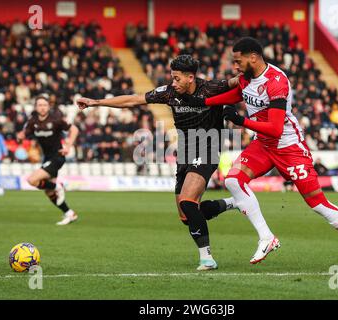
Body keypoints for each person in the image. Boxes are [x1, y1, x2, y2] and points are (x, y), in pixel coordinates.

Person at [184, 37, 338, 273]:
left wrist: (241, 120)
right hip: (263, 145)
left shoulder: (277, 81)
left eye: (238, 60)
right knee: (233, 179)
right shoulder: (246, 79)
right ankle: (266, 237)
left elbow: (275, 128)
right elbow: (236, 95)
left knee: (317, 204)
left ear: (253, 57)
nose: (235, 66)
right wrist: (203, 101)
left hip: (288, 146)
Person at [77, 55, 239, 271]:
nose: (173, 82)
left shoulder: (211, 88)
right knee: (186, 216)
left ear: (191, 78)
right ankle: (232, 203)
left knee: (187, 202)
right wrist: (96, 102)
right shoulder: (170, 93)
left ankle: (207, 258)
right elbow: (133, 100)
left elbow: (239, 81)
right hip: (185, 152)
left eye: (177, 78)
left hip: (208, 149)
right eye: (173, 78)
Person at [17, 96, 80, 226]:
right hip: (47, 158)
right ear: (35, 107)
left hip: (57, 157)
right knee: (49, 192)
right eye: (39, 105)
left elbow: (74, 129)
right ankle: (69, 213)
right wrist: (20, 137)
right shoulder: (32, 122)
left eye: (44, 105)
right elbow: (23, 135)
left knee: (32, 180)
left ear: (48, 107)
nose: (42, 107)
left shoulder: (56, 120)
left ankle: (59, 186)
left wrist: (68, 146)